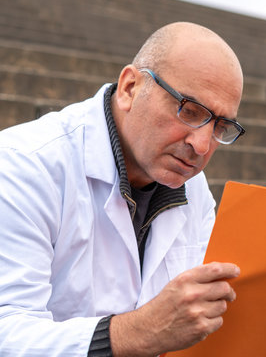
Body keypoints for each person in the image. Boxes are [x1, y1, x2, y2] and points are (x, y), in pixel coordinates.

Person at [0, 22, 245, 356]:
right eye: (189, 110)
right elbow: (7, 332)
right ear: (130, 87)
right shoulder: (22, 166)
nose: (202, 145)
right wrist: (139, 332)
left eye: (221, 126)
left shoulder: (194, 188)